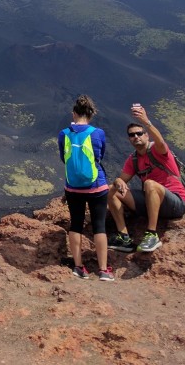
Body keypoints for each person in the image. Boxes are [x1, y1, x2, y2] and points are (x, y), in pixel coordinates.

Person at [107, 103, 185, 253]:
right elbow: (121, 180)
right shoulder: (133, 160)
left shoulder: (157, 150)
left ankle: (152, 234)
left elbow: (160, 141)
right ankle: (124, 237)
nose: (136, 137)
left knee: (150, 184)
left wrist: (146, 122)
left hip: (176, 203)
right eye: (132, 135)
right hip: (150, 202)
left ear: (146, 135)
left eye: (139, 133)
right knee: (111, 190)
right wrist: (117, 181)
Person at [57, 95, 113, 281]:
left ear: (74, 113)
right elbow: (99, 156)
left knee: (76, 224)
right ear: (91, 114)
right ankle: (104, 270)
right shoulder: (97, 133)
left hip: (72, 188)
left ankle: (79, 267)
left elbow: (64, 158)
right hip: (97, 186)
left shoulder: (64, 133)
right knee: (99, 226)